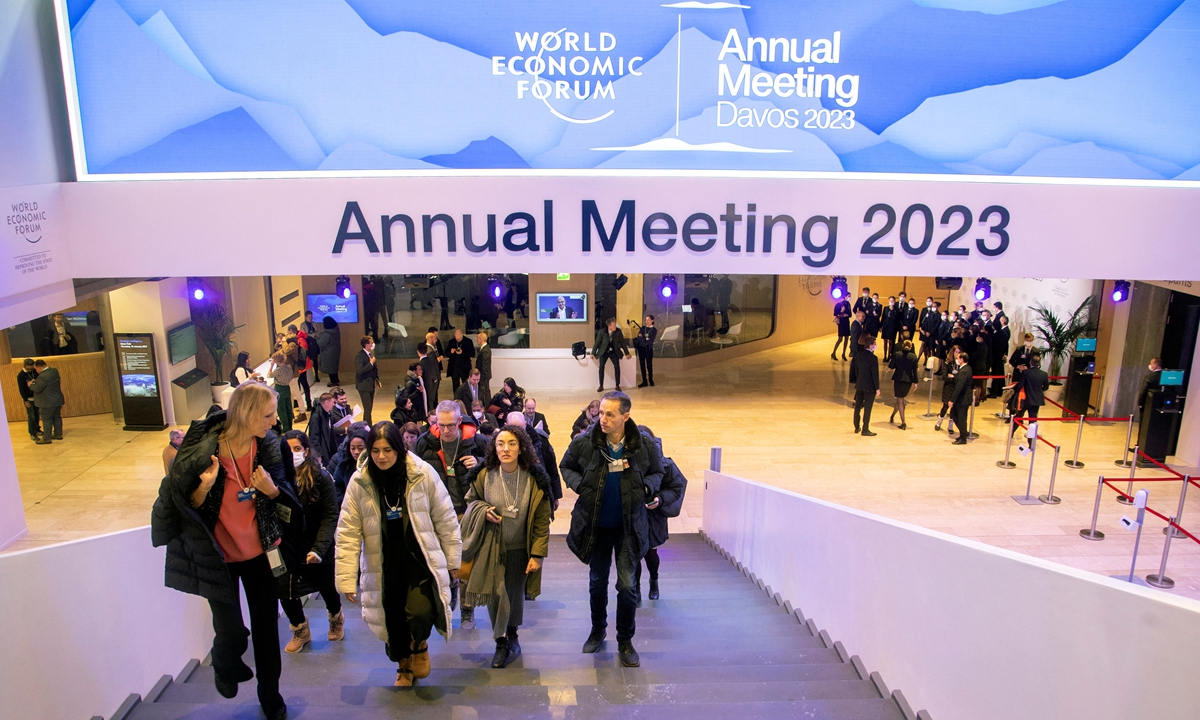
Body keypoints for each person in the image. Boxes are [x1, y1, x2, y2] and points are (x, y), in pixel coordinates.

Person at [150, 382, 301, 720]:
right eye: (267, 415)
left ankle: (270, 696)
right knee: (231, 629)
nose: (273, 422)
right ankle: (224, 660)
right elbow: (187, 507)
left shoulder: (269, 447)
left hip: (261, 557)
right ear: (247, 414)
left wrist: (272, 491)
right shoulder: (206, 450)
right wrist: (204, 486)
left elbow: (287, 495)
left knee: (265, 630)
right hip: (219, 559)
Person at [335, 421, 461, 688]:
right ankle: (403, 664)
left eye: (388, 450)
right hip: (383, 562)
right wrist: (345, 578)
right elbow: (346, 531)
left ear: (400, 449)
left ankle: (420, 643)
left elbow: (446, 518)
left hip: (418, 559)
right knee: (391, 616)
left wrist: (452, 561)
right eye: (376, 450)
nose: (382, 456)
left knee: (420, 610)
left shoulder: (422, 474)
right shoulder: (360, 482)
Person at [560, 391, 664, 668]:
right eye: (601, 412)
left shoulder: (645, 445)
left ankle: (625, 640)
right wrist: (582, 485)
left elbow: (658, 472)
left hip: (629, 527)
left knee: (628, 586)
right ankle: (597, 630)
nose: (601, 418)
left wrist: (645, 488)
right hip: (596, 525)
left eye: (609, 414)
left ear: (625, 416)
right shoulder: (585, 442)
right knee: (597, 582)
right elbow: (566, 465)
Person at [460, 425, 552, 667]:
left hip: (521, 548)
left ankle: (513, 633)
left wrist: (537, 554)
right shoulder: (484, 475)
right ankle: (500, 642)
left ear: (521, 447)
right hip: (491, 546)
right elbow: (471, 502)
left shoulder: (534, 478)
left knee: (514, 594)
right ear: (494, 448)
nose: (506, 448)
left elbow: (542, 520)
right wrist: (484, 511)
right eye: (500, 443)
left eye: (512, 443)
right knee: (496, 595)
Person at [413, 401, 488, 627]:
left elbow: (495, 468)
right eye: (440, 425)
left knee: (465, 561)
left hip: (466, 511)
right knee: (441, 559)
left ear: (459, 421)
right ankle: (450, 590)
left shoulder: (478, 442)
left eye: (450, 426)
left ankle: (467, 607)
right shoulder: (424, 443)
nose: (445, 430)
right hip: (437, 513)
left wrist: (480, 462)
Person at [280, 431, 343, 653]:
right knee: (286, 591)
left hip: (319, 543)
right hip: (288, 546)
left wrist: (319, 548)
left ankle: (336, 617)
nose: (293, 454)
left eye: (297, 449)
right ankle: (300, 629)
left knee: (327, 588)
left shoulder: (321, 477)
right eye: (288, 450)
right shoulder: (278, 477)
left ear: (306, 450)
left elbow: (330, 516)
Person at [633, 426, 686, 603]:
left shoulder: (665, 465)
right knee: (635, 554)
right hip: (633, 516)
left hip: (654, 516)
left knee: (651, 554)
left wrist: (659, 499)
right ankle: (636, 587)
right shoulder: (625, 461)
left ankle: (654, 580)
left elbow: (676, 488)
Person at [329, 424, 371, 502]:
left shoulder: (375, 462)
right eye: (353, 448)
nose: (356, 452)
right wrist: (345, 502)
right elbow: (336, 485)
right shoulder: (344, 462)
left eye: (360, 448)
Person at [1010, 353, 1049, 434]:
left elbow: (1020, 385)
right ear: (1039, 363)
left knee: (1018, 417)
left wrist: (1014, 389)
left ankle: (1011, 433)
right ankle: (1031, 439)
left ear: (1030, 362)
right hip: (1036, 400)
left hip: (1025, 399)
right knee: (1033, 420)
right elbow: (1046, 387)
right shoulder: (1044, 374)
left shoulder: (1026, 373)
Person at [849, 335, 880, 436]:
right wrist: (877, 388)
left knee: (858, 406)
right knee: (868, 408)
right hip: (870, 386)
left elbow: (855, 370)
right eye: (874, 344)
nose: (875, 345)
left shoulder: (858, 355)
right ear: (871, 346)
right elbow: (874, 374)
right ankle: (865, 428)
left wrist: (857, 380)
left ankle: (856, 426)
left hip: (860, 384)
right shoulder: (873, 358)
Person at [29, 359, 64, 443]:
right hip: (57, 400)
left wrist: (31, 384)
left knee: (47, 420)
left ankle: (46, 438)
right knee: (57, 417)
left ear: (40, 367)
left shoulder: (42, 376)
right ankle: (58, 434)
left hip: (47, 402)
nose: (36, 371)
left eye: (36, 369)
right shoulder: (54, 371)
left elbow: (37, 388)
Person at [593, 318, 631, 392]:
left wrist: (627, 353)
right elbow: (596, 343)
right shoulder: (602, 332)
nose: (615, 327)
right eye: (614, 325)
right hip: (604, 352)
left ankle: (617, 385)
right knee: (601, 367)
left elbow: (623, 343)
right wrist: (593, 353)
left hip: (614, 351)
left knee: (617, 367)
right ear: (609, 326)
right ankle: (601, 385)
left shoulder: (618, 331)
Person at [888, 340, 918, 430]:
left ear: (903, 345)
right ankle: (892, 415)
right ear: (911, 346)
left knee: (900, 400)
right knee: (900, 399)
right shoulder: (913, 357)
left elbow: (891, 366)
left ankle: (903, 422)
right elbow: (915, 371)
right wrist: (916, 382)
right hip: (908, 380)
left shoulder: (897, 354)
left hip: (898, 378)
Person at [947, 351, 974, 444]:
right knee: (954, 414)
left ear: (962, 359)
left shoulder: (964, 371)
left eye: (958, 358)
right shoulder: (966, 369)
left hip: (962, 399)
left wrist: (952, 400)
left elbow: (960, 386)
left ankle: (963, 436)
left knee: (961, 418)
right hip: (963, 399)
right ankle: (963, 433)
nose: (957, 360)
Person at [306, 392, 339, 466]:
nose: (334, 404)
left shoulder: (328, 414)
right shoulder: (316, 417)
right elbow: (314, 437)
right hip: (322, 450)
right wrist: (318, 454)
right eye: (333, 402)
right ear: (327, 402)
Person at [1008, 333, 1037, 417]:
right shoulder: (1019, 349)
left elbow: (1037, 364)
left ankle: (1022, 415)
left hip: (1028, 376)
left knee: (1026, 395)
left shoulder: (1036, 351)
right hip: (1018, 375)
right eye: (1027, 340)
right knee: (1014, 394)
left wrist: (1028, 368)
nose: (1029, 342)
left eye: (1030, 340)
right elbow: (1011, 361)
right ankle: (1011, 415)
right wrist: (1018, 366)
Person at [266, 351, 295, 432]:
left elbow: (269, 375)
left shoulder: (278, 370)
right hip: (287, 388)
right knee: (288, 408)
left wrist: (271, 366)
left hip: (279, 389)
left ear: (276, 361)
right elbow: (291, 378)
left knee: (281, 409)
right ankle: (290, 426)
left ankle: (285, 428)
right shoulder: (289, 368)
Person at [356, 335, 381, 425]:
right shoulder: (360, 356)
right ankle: (368, 427)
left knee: (369, 408)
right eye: (371, 342)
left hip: (371, 385)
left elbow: (375, 369)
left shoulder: (371, 354)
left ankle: (365, 424)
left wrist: (377, 380)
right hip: (363, 386)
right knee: (367, 408)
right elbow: (360, 371)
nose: (373, 344)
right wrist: (370, 363)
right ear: (367, 345)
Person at [17, 358, 41, 442]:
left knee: (37, 414)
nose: (31, 368)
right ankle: (32, 433)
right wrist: (25, 400)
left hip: (36, 397)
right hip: (28, 398)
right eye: (29, 366)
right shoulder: (21, 375)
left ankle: (37, 429)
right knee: (31, 416)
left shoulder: (34, 372)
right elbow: (21, 389)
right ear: (25, 366)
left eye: (32, 366)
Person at [446, 328, 475, 393]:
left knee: (466, 383)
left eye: (459, 339)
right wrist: (451, 352)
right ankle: (456, 397)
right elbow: (446, 353)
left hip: (465, 366)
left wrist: (463, 352)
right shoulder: (451, 342)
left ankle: (466, 397)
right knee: (455, 384)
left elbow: (472, 353)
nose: (458, 340)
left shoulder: (468, 341)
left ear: (462, 335)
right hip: (454, 367)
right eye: (457, 339)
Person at [989, 315, 1011, 398]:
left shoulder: (997, 334)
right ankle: (998, 391)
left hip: (996, 357)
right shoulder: (1002, 333)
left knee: (996, 374)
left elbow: (995, 347)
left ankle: (994, 392)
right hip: (1000, 356)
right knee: (999, 374)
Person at [634, 315, 658, 388]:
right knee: (642, 365)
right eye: (646, 320)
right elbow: (638, 338)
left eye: (648, 320)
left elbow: (650, 341)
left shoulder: (654, 330)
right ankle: (644, 380)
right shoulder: (643, 328)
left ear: (652, 320)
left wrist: (642, 339)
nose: (646, 321)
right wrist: (645, 339)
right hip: (641, 349)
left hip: (648, 349)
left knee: (649, 365)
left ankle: (650, 379)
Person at [318, 316, 342, 386]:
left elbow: (321, 343)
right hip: (335, 351)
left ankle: (333, 382)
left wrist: (317, 338)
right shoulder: (336, 330)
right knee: (333, 367)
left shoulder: (326, 334)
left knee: (330, 367)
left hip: (328, 352)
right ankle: (336, 380)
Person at [419, 343, 442, 414]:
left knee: (428, 404)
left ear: (417, 352)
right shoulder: (433, 360)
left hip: (426, 386)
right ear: (427, 351)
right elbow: (436, 372)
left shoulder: (420, 364)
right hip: (433, 384)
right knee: (431, 402)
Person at [831, 296, 852, 360]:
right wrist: (841, 312)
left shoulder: (848, 304)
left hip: (846, 322)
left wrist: (847, 315)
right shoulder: (839, 304)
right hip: (841, 322)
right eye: (848, 296)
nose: (849, 297)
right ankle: (833, 353)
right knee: (840, 339)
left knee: (846, 338)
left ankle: (843, 354)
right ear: (845, 297)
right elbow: (835, 313)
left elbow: (850, 314)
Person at [475, 332, 493, 401]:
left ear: (481, 339)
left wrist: (481, 377)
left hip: (483, 376)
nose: (477, 340)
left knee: (485, 391)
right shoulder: (484, 349)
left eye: (478, 338)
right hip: (483, 375)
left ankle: (487, 406)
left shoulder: (485, 350)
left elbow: (485, 365)